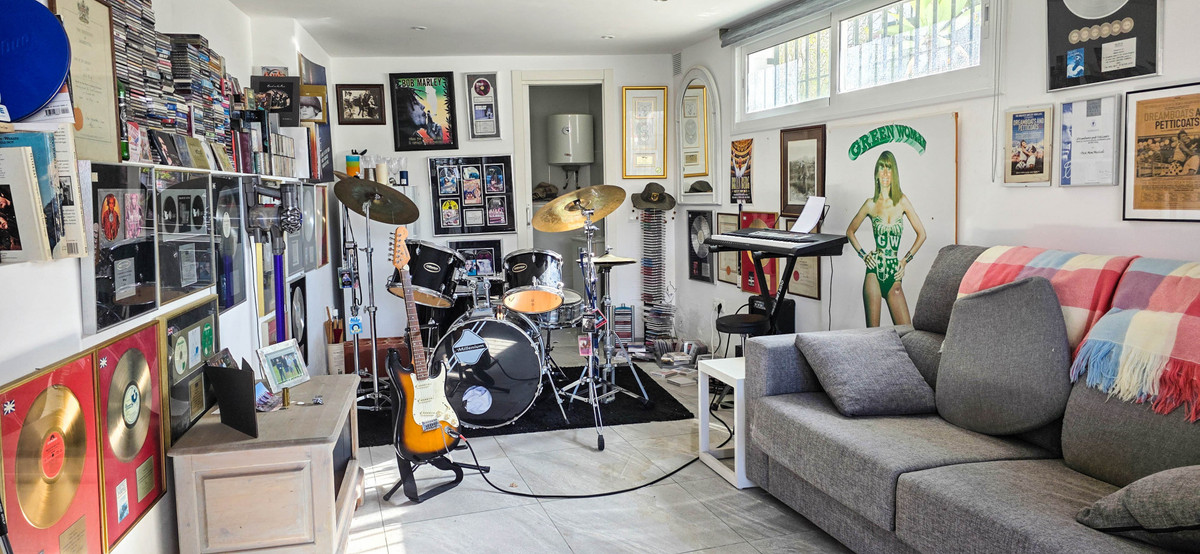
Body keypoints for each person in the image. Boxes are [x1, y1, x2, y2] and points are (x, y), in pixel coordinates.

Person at [845, 150, 927, 327]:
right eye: (881, 168)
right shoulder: (870, 204)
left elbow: (922, 234)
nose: (885, 173)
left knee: (907, 333)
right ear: (876, 173)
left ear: (894, 173)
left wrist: (905, 261)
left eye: (889, 168)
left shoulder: (902, 201)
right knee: (873, 334)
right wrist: (864, 256)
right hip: (874, 272)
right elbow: (850, 231)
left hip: (893, 273)